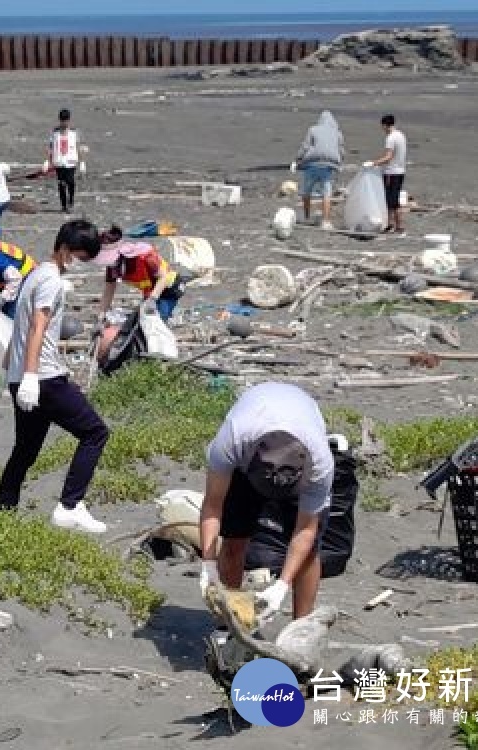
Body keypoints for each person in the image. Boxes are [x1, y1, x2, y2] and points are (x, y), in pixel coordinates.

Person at [0, 219, 111, 534]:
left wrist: (8, 370)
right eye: (80, 255)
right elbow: (36, 326)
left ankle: (3, 509)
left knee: (26, 447)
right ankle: (70, 506)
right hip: (43, 377)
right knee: (95, 433)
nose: (81, 263)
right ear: (64, 248)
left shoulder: (33, 274)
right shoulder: (50, 281)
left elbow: (18, 326)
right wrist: (31, 376)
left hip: (23, 375)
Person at [198, 382, 334, 625]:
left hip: (300, 421)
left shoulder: (320, 463)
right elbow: (212, 505)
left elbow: (305, 531)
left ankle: (299, 629)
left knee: (309, 554)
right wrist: (208, 564)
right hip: (250, 439)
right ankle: (230, 625)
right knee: (234, 539)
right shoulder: (231, 442)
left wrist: (281, 585)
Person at [94, 226, 184, 323]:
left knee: (157, 320)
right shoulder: (112, 267)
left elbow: (163, 277)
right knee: (138, 320)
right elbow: (108, 290)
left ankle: (170, 315)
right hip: (149, 291)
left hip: (170, 287)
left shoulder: (145, 257)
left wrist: (152, 299)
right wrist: (101, 314)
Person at [291, 111, 344, 230]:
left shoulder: (313, 130)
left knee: (306, 191)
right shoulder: (338, 133)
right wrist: (340, 163)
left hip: (312, 164)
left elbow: (305, 146)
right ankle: (325, 221)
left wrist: (298, 159)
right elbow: (341, 150)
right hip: (327, 167)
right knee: (326, 194)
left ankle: (306, 217)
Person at [368, 114, 408, 234]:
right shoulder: (401, 135)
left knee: (391, 200)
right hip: (400, 171)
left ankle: (397, 226)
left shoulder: (390, 138)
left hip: (392, 172)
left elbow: (388, 157)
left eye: (382, 126)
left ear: (385, 125)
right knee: (392, 199)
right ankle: (392, 225)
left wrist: (374, 163)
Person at [45, 109, 86, 213]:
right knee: (61, 184)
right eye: (62, 120)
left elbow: (78, 146)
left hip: (71, 161)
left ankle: (71, 201)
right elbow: (50, 146)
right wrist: (47, 161)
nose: (64, 123)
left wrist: (82, 162)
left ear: (69, 120)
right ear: (60, 120)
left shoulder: (74, 132)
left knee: (71, 182)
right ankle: (64, 205)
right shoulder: (55, 132)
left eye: (66, 120)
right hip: (59, 161)